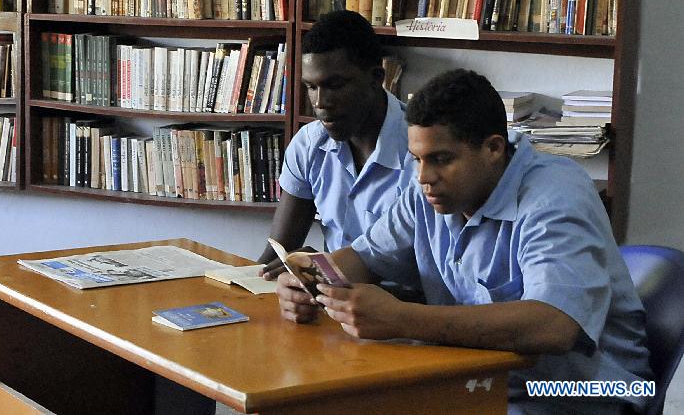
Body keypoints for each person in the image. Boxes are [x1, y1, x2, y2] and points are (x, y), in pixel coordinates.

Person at [275, 69, 652, 414]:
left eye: (440, 159)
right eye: (416, 159)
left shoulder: (555, 197)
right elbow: (365, 256)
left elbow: (554, 325)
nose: (424, 177)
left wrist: (401, 318)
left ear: (493, 149)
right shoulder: (428, 188)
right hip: (483, 382)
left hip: (580, 393)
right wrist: (311, 279)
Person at [259, 10, 413, 277]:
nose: (320, 103)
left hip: (404, 307)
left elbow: (430, 274)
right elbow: (279, 252)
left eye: (335, 85)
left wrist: (322, 269)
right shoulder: (309, 145)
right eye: (311, 87)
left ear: (376, 78)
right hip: (333, 295)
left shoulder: (421, 151)